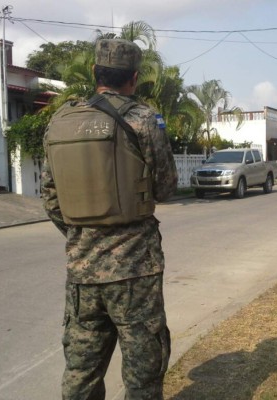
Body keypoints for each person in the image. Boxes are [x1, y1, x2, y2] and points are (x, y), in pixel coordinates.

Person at [41, 38, 178, 400]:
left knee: (81, 371)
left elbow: (51, 200)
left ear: (93, 73)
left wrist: (83, 232)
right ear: (134, 78)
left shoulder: (61, 121)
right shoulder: (144, 119)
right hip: (136, 270)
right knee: (142, 371)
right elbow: (165, 188)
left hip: (82, 272)